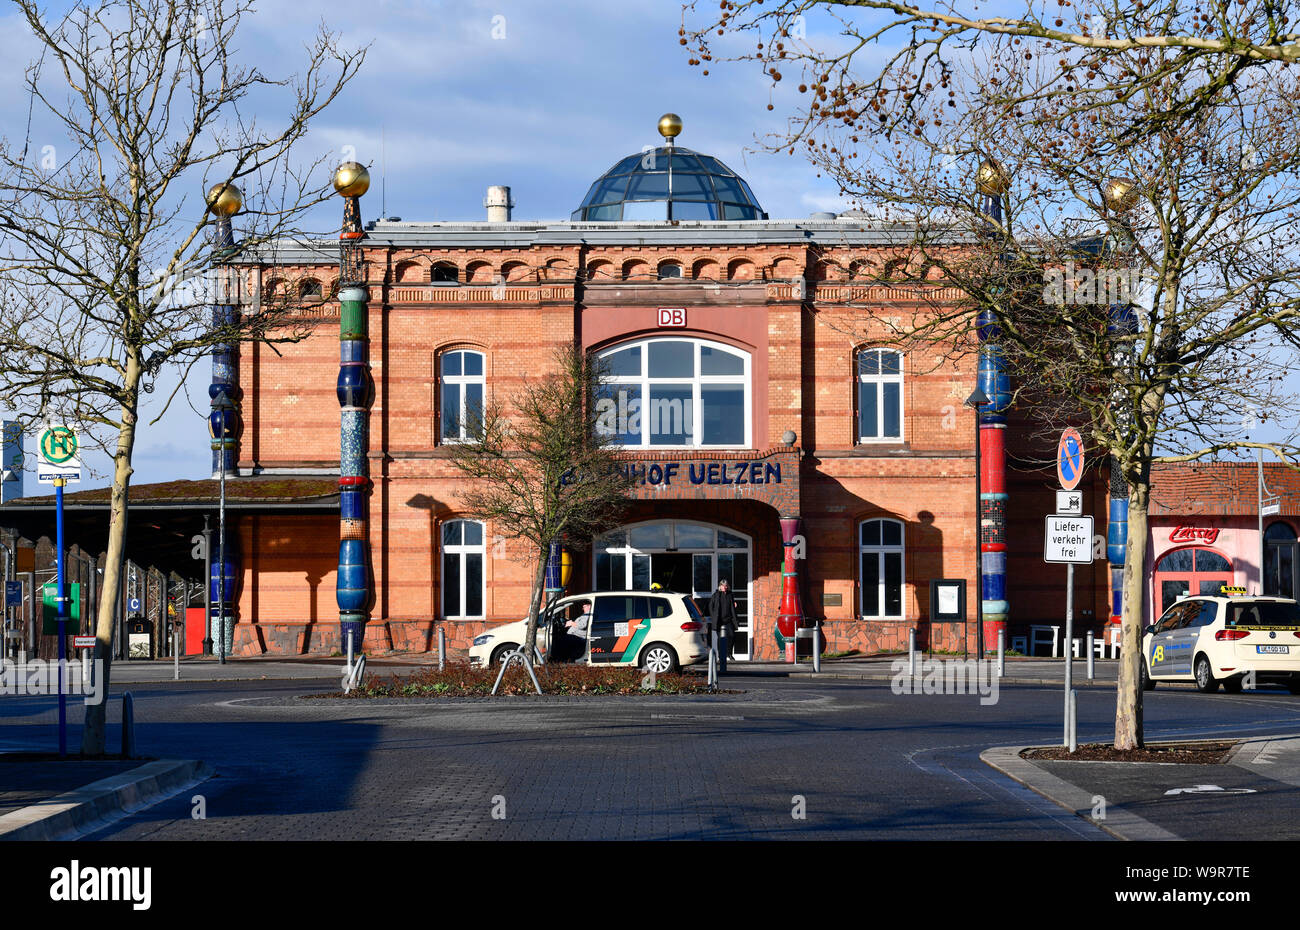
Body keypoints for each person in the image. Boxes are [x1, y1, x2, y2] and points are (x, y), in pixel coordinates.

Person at [707, 580, 737, 673]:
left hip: (728, 620)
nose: (725, 587)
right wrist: (713, 616)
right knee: (720, 639)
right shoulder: (716, 595)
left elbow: (732, 605)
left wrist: (735, 604)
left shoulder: (730, 594)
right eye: (723, 586)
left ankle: (729, 653)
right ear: (720, 586)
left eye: (726, 585)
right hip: (719, 621)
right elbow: (710, 606)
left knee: (732, 635)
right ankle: (721, 657)